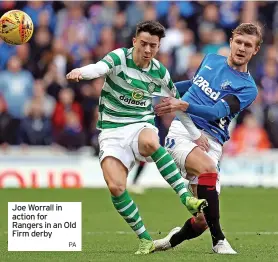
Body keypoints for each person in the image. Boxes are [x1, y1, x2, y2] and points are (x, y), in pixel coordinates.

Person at [66, 20, 208, 255]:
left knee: (151, 142)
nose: (148, 50)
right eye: (144, 44)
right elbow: (99, 68)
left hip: (139, 125)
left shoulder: (160, 72)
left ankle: (186, 198)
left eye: (154, 45)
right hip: (111, 131)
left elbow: (176, 104)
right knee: (116, 187)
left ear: (159, 46)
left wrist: (194, 134)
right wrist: (82, 72)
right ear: (134, 42)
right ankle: (145, 239)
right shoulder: (119, 58)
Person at [154, 23, 262, 254]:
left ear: (256, 50)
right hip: (183, 132)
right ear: (231, 41)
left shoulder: (248, 89)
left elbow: (217, 112)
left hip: (212, 143)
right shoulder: (211, 59)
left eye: (248, 45)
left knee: (203, 218)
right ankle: (219, 241)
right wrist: (161, 91)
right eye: (239, 42)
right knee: (208, 170)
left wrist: (183, 104)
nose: (242, 48)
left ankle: (169, 241)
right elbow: (193, 86)